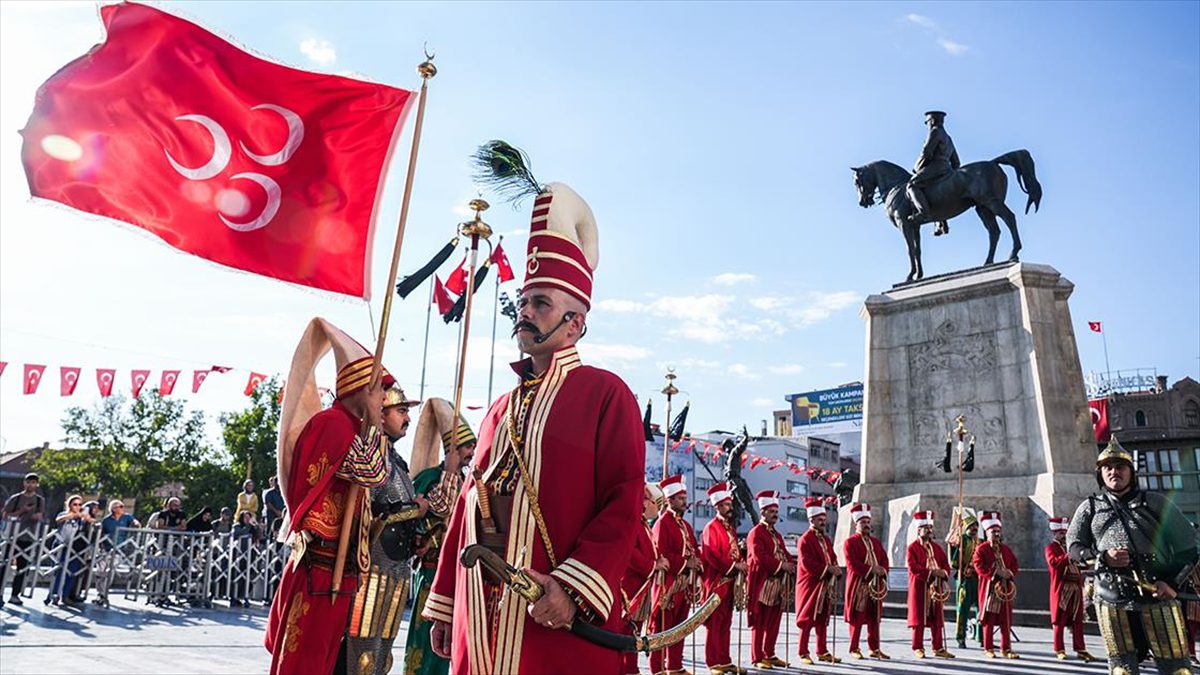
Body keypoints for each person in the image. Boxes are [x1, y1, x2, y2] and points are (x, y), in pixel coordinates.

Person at [422, 170, 645, 674]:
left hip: (554, 614)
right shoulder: (500, 407)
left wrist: (571, 587)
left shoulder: (606, 393)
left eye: (540, 303)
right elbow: (467, 503)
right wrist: (444, 601)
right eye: (523, 301)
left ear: (576, 323)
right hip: (480, 610)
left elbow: (624, 501)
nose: (525, 311)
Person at [263, 318, 395, 675]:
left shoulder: (353, 428)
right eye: (379, 390)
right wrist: (373, 426)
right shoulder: (333, 425)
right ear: (357, 389)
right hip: (320, 568)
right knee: (302, 665)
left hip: (341, 570)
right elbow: (373, 472)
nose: (383, 400)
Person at [1067, 435, 1196, 675]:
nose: (1114, 472)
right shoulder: (1090, 507)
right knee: (1121, 670)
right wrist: (1103, 557)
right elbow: (1074, 548)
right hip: (1111, 598)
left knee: (1177, 669)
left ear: (1131, 472)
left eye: (1120, 466)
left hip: (1157, 594)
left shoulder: (1156, 503)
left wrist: (1171, 583)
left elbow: (1188, 549)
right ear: (1100, 474)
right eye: (1107, 467)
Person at [341, 383, 426, 675]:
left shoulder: (396, 461)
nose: (408, 418)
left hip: (398, 568)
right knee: (361, 655)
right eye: (401, 411)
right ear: (381, 412)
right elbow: (370, 511)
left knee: (383, 656)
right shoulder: (371, 455)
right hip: (372, 569)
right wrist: (417, 509)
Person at [404, 397, 477, 675]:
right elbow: (440, 508)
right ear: (453, 449)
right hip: (433, 571)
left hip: (460, 575)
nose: (472, 452)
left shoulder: (469, 480)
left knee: (453, 644)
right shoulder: (431, 477)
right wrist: (448, 471)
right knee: (426, 641)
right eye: (467, 447)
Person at [649, 475, 702, 675]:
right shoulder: (662, 523)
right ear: (670, 500)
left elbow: (694, 549)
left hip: (684, 584)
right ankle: (657, 669)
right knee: (661, 629)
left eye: (685, 497)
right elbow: (661, 554)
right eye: (680, 498)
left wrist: (697, 561)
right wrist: (685, 562)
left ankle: (675, 666)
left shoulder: (686, 526)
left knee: (681, 628)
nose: (684, 502)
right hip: (667, 584)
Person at [618, 483, 667, 675]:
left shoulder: (643, 524)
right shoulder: (633, 523)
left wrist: (658, 559)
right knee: (625, 630)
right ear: (646, 503)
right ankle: (624, 669)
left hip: (642, 585)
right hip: (631, 587)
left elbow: (649, 550)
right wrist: (654, 565)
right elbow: (631, 553)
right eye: (657, 503)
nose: (659, 508)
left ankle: (631, 668)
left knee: (635, 631)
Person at [700, 482, 745, 675]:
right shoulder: (711, 527)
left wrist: (741, 562)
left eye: (730, 504)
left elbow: (734, 552)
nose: (730, 508)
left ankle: (725, 659)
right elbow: (712, 555)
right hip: (716, 582)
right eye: (726, 505)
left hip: (731, 582)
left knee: (726, 622)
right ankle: (713, 662)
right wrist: (735, 566)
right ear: (717, 506)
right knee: (714, 624)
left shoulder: (729, 528)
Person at [746, 490, 795, 670]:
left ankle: (770, 653)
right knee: (760, 622)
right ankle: (757, 657)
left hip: (778, 583)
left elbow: (785, 553)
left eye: (776, 511)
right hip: (763, 582)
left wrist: (790, 564)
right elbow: (759, 557)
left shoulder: (777, 534)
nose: (775, 515)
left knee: (774, 621)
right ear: (763, 512)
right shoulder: (756, 532)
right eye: (771, 511)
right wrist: (781, 566)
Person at [794, 497, 841, 665]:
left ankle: (822, 650)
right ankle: (802, 651)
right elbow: (806, 563)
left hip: (825, 584)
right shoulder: (805, 539)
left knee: (822, 619)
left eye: (823, 519)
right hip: (810, 584)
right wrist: (827, 569)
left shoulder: (826, 539)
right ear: (811, 519)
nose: (822, 522)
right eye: (819, 519)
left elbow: (833, 558)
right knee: (807, 619)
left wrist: (835, 569)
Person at [1045, 516, 1096, 661]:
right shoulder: (1051, 548)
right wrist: (1069, 556)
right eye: (1061, 533)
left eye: (1065, 533)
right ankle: (1059, 649)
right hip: (1062, 589)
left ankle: (1081, 649)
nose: (1064, 536)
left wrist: (1086, 560)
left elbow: (1080, 564)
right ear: (1055, 533)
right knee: (1059, 621)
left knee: (1077, 620)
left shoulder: (1069, 547)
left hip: (1075, 588)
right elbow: (1054, 563)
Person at [843, 503, 890, 660]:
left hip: (875, 585)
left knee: (874, 618)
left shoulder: (876, 543)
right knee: (857, 618)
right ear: (856, 524)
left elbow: (884, 559)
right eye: (863, 522)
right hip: (859, 586)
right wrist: (871, 570)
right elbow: (852, 563)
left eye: (868, 522)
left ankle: (874, 648)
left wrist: (882, 570)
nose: (866, 525)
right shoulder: (850, 542)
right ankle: (854, 648)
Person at [907, 510, 954, 659]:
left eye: (930, 528)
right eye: (925, 528)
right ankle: (918, 647)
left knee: (937, 618)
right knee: (919, 618)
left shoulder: (937, 548)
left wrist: (943, 573)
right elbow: (913, 567)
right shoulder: (912, 548)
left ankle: (938, 647)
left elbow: (945, 564)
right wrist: (932, 573)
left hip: (936, 586)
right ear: (918, 530)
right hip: (920, 586)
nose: (929, 531)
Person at [973, 512, 1020, 659]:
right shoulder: (981, 549)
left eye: (998, 531)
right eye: (994, 532)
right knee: (990, 620)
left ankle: (1006, 649)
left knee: (1006, 620)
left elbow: (1014, 564)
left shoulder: (1005, 549)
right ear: (987, 533)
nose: (997, 534)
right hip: (990, 590)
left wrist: (1010, 573)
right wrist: (995, 573)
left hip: (1005, 590)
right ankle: (988, 648)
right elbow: (978, 565)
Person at [906, 110, 960, 234]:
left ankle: (923, 213)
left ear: (932, 121)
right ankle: (941, 222)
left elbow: (926, 152)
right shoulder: (948, 138)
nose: (927, 125)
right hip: (946, 167)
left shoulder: (935, 132)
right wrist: (951, 172)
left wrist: (917, 168)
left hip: (936, 166)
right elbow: (956, 162)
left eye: (927, 122)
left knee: (912, 185)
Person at [2, 473, 45, 606]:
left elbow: (41, 515)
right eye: (28, 482)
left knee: (23, 567)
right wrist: (22, 511)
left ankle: (15, 595)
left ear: (37, 484)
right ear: (24, 483)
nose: (30, 485)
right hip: (12, 536)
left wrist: (38, 517)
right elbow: (5, 515)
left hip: (29, 537)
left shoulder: (40, 500)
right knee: (4, 565)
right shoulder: (16, 498)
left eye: (33, 482)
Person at [47, 494, 94, 606]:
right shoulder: (64, 514)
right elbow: (58, 520)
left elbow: (92, 521)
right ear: (70, 505)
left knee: (71, 572)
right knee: (58, 571)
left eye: (79, 504)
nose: (77, 506)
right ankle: (53, 595)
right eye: (75, 504)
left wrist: (87, 519)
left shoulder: (81, 518)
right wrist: (72, 515)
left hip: (73, 548)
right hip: (61, 545)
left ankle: (65, 595)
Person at [95, 499, 140, 607]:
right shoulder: (106, 520)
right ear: (114, 509)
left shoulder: (127, 517)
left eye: (122, 506)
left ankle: (104, 593)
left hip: (119, 549)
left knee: (111, 571)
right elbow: (102, 532)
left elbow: (136, 523)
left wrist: (136, 523)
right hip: (106, 548)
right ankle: (100, 593)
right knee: (100, 572)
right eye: (120, 506)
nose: (122, 508)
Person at [948, 510, 980, 648]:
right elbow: (954, 561)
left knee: (981, 609)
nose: (974, 529)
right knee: (963, 609)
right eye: (971, 526)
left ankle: (981, 637)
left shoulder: (981, 541)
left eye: (976, 527)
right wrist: (955, 548)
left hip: (978, 579)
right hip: (965, 579)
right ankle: (961, 638)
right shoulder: (961, 540)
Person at [231, 511, 260, 607]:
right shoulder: (237, 526)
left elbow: (259, 536)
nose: (247, 519)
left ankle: (245, 596)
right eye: (245, 517)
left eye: (249, 517)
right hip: (239, 555)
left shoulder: (252, 527)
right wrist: (248, 526)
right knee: (237, 576)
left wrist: (257, 527)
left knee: (249, 576)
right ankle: (234, 596)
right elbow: (240, 533)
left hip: (250, 555)